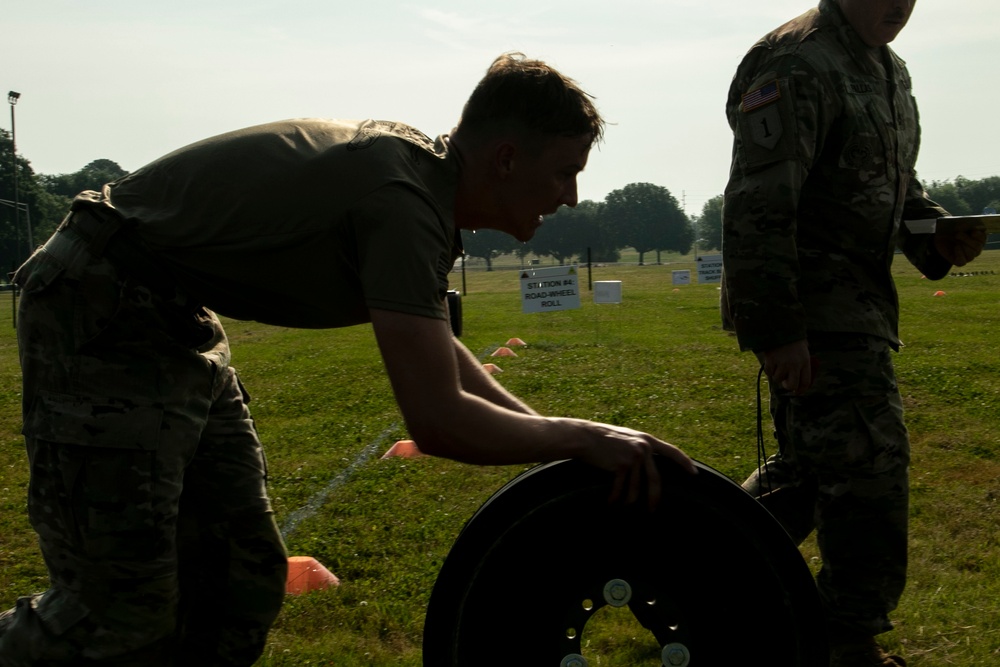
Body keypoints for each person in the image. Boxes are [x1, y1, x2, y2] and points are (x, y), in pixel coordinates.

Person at [0, 53, 695, 666]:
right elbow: (438, 419)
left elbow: (443, 358)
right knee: (116, 616)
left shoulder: (426, 191)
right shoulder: (403, 201)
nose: (570, 197)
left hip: (170, 312)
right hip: (101, 301)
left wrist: (559, 447)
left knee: (240, 587)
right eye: (564, 173)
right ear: (506, 159)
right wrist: (585, 437)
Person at [722, 2, 986, 666]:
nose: (897, 5)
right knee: (871, 465)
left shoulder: (888, 72)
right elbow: (760, 200)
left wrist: (937, 232)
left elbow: (894, 189)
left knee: (815, 472)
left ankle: (686, 566)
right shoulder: (796, 62)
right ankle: (846, 638)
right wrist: (779, 328)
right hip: (815, 314)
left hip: (860, 311)